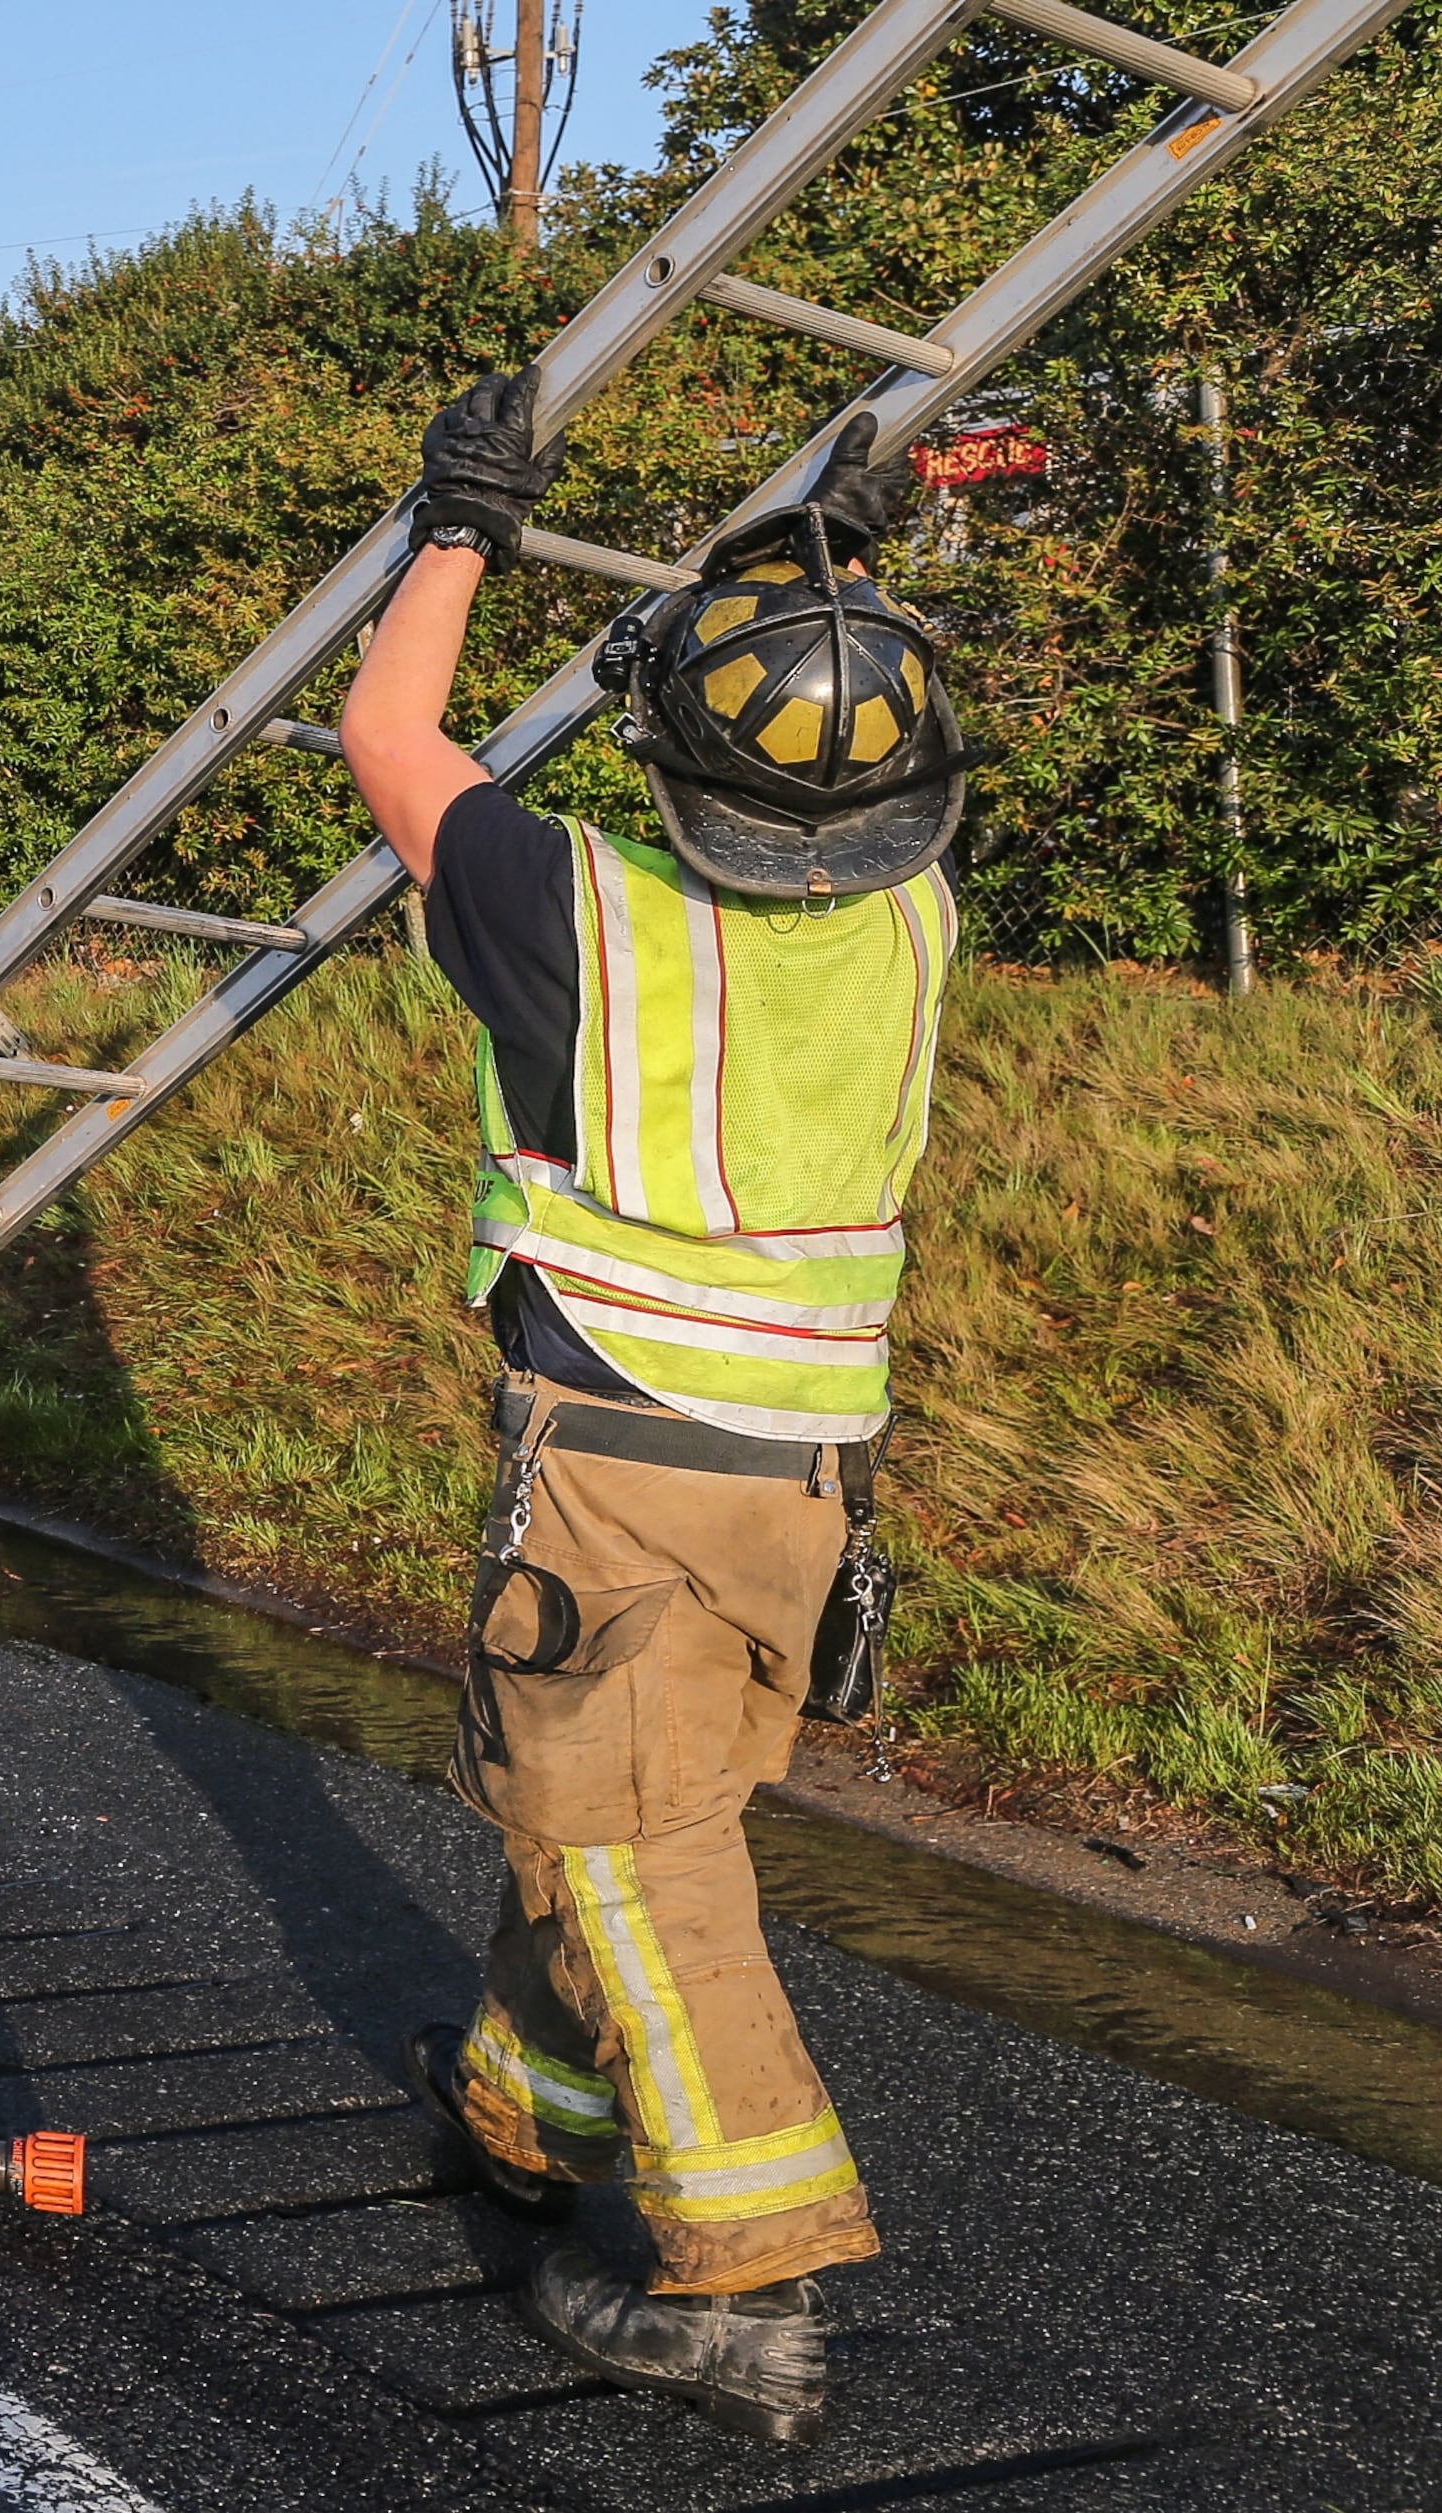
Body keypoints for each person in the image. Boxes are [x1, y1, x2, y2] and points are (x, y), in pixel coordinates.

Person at [339, 372, 969, 2449]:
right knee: (613, 1803)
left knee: (629, 1847)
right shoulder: (912, 922)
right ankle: (520, 2121)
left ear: (670, 755)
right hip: (800, 1484)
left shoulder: (574, 912)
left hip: (615, 1480)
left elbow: (386, 740)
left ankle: (752, 2281)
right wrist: (836, 553)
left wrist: (459, 527)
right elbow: (819, 712)